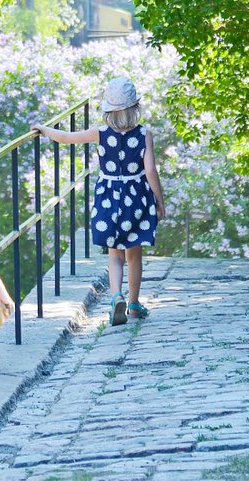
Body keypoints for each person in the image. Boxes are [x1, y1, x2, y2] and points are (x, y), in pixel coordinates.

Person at [34, 76, 165, 326]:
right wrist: (160, 201)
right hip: (136, 197)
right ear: (135, 107)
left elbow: (66, 138)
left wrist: (44, 130)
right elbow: (150, 171)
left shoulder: (100, 133)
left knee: (114, 254)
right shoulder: (144, 134)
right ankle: (134, 304)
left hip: (109, 198)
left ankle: (116, 296)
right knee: (133, 254)